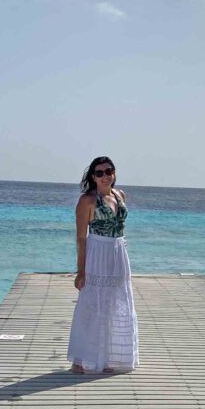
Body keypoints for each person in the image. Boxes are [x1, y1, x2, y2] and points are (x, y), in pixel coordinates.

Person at [67, 156, 140, 374]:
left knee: (115, 303)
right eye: (99, 173)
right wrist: (81, 271)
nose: (105, 176)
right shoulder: (87, 201)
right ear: (93, 177)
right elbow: (80, 238)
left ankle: (108, 357)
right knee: (91, 305)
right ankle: (80, 360)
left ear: (114, 173)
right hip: (97, 252)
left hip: (118, 253)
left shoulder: (120, 195)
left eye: (108, 171)